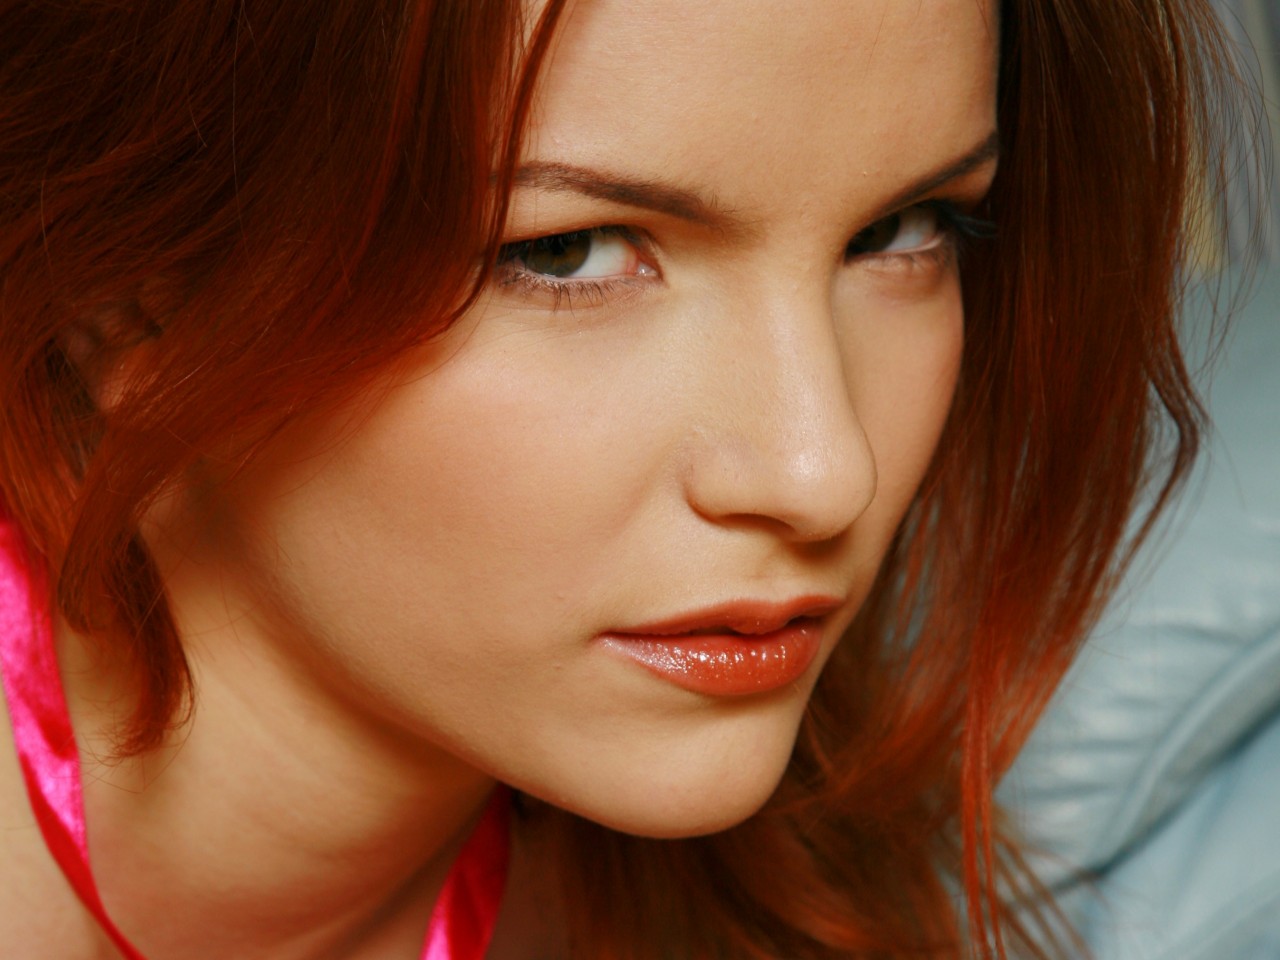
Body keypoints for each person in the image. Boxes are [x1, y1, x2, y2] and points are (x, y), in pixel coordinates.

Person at [0, 0, 1241, 957]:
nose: (823, 472)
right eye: (569, 252)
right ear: (124, 297)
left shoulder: (719, 888)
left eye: (900, 231)